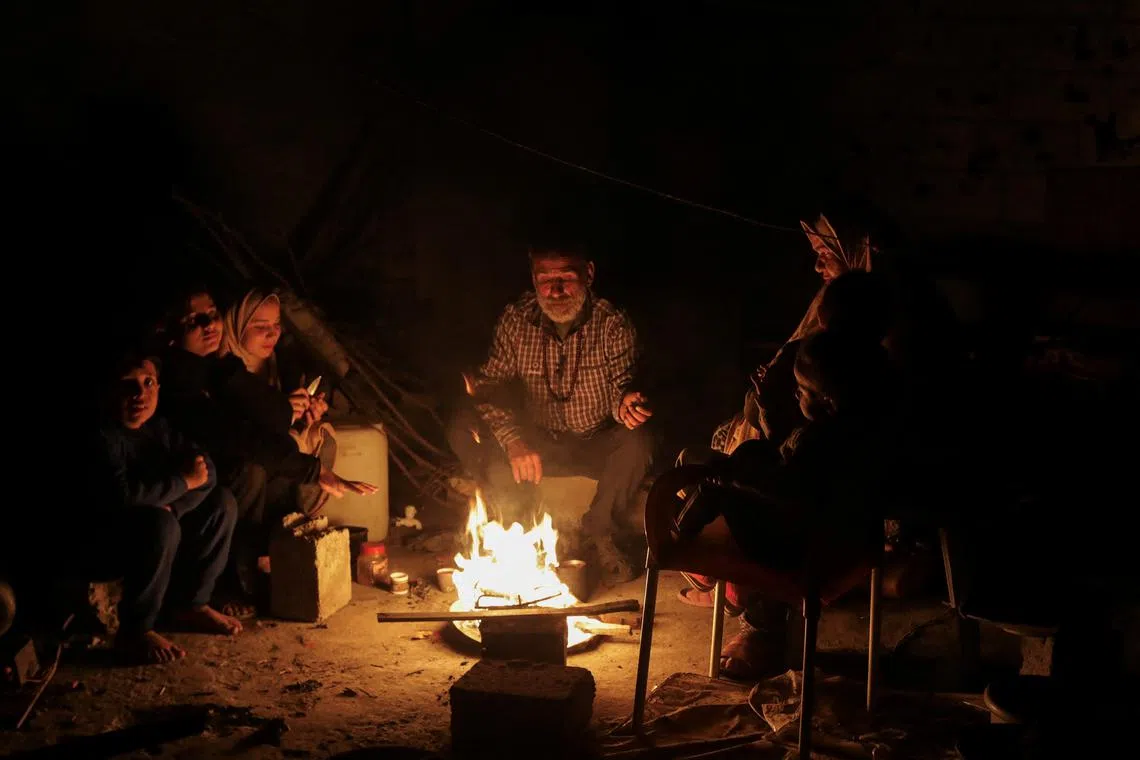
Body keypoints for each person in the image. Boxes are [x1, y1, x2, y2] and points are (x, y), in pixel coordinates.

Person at [676, 328, 897, 680]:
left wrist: (730, 480)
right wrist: (768, 414)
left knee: (718, 479)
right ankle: (707, 567)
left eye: (803, 391)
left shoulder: (820, 440)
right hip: (851, 543)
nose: (795, 395)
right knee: (746, 455)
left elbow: (786, 487)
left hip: (798, 551)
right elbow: (788, 457)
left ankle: (682, 544)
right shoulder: (864, 432)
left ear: (828, 402)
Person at [447, 238, 655, 582]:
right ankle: (514, 522)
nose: (556, 290)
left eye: (566, 278)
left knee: (638, 440)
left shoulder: (612, 323)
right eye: (546, 279)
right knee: (460, 426)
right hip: (537, 445)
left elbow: (623, 385)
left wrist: (626, 405)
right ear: (533, 279)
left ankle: (599, 533)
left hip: (594, 443)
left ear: (588, 274)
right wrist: (514, 441)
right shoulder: (516, 320)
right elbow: (489, 387)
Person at [156, 286, 376, 603]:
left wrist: (302, 418)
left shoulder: (223, 366)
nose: (209, 326)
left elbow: (271, 420)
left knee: (296, 452)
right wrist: (314, 469)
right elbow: (241, 435)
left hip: (239, 464)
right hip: (201, 478)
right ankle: (236, 578)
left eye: (213, 316)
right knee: (253, 472)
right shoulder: (187, 377)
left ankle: (275, 554)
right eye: (195, 321)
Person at [89, 350, 242, 663]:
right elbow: (122, 498)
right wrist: (181, 484)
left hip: (156, 520)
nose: (139, 394)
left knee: (221, 502)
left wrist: (174, 504)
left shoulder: (157, 429)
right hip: (99, 540)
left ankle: (192, 603)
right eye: (128, 384)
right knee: (160, 524)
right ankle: (136, 631)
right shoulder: (103, 436)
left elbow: (206, 471)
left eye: (148, 383)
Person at [221, 287, 337, 513]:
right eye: (260, 326)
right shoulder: (225, 373)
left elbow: (286, 418)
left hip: (273, 457)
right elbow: (243, 433)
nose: (272, 333)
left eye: (275, 325)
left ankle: (290, 525)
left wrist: (305, 415)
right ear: (238, 324)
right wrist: (282, 412)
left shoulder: (275, 364)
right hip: (236, 464)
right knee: (260, 467)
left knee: (318, 441)